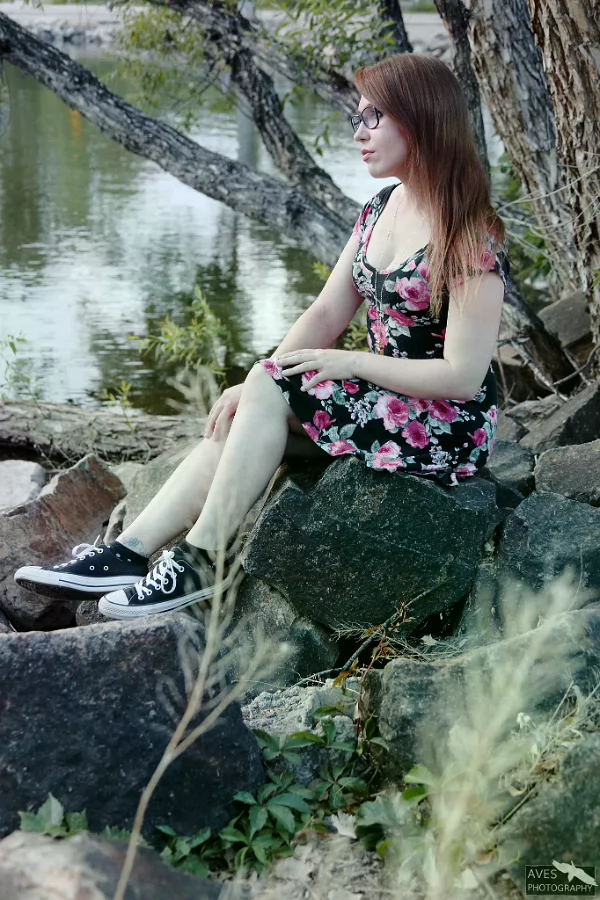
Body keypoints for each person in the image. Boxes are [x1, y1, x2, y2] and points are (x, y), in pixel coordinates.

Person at [14, 53, 508, 620]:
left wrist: (351, 364)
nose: (359, 132)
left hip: (445, 423)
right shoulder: (381, 208)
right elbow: (327, 311)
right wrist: (260, 382)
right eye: (358, 118)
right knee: (244, 414)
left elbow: (462, 377)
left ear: (421, 120)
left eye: (374, 117)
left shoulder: (468, 236)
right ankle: (127, 554)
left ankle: (200, 563)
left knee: (269, 393)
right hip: (387, 401)